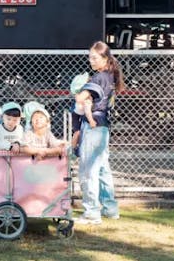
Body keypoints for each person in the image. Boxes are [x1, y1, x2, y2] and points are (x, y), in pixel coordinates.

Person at [73, 41, 125, 225]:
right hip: (103, 127)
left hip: (93, 126)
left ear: (105, 58)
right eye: (90, 57)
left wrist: (78, 89)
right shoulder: (111, 76)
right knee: (103, 169)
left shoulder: (99, 77)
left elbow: (81, 97)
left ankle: (91, 212)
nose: (91, 61)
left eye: (94, 58)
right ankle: (110, 209)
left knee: (88, 170)